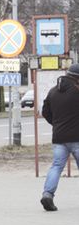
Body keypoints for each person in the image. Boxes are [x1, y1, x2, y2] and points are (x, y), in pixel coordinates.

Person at [40, 63, 79, 212]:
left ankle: (47, 194)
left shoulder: (52, 92)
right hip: (77, 137)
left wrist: (56, 123)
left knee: (56, 166)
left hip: (58, 137)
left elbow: (45, 112)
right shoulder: (77, 92)